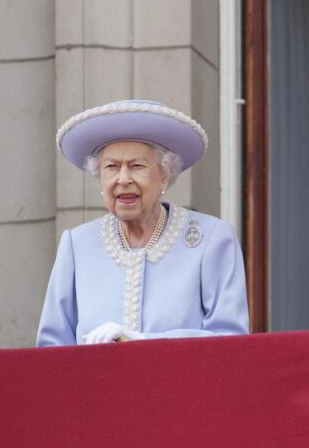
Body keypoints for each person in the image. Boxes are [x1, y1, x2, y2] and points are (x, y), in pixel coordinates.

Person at [37, 100, 250, 345]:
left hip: (181, 383)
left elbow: (230, 341)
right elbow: (51, 349)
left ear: (164, 176)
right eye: (111, 167)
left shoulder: (212, 239)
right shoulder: (77, 244)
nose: (123, 179)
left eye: (137, 166)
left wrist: (141, 341)